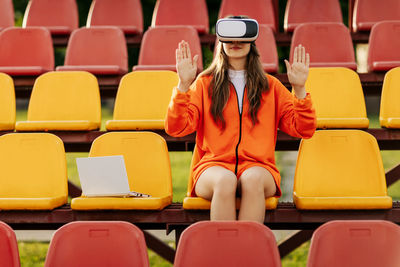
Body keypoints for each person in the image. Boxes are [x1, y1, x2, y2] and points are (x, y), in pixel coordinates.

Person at [165, 18, 316, 224]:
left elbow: (304, 129)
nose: (235, 42)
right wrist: (183, 86)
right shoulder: (204, 84)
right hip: (213, 168)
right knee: (225, 180)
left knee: (252, 179)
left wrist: (299, 89)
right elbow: (176, 128)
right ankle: (226, 252)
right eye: (229, 38)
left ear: (252, 43)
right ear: (220, 42)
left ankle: (248, 251)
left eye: (242, 38)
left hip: (260, 168)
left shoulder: (270, 86)